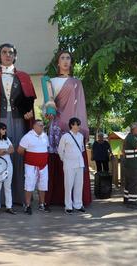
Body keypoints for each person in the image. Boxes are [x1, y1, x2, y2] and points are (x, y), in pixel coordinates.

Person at [0, 43, 36, 204]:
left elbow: (29, 103)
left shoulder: (24, 77)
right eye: (4, 52)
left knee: (17, 153)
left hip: (18, 121)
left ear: (15, 56)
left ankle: (17, 196)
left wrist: (29, 113)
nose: (7, 55)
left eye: (11, 52)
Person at [44, 51, 91, 207]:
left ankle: (77, 201)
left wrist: (82, 129)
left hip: (73, 128)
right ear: (57, 63)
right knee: (58, 160)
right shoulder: (50, 81)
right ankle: (58, 199)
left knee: (75, 165)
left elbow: (81, 108)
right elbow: (47, 104)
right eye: (62, 58)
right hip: (56, 127)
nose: (65, 61)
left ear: (71, 62)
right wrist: (48, 113)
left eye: (68, 58)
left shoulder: (77, 82)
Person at [18, 120, 50, 215]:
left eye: (42, 125)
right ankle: (27, 205)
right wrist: (31, 158)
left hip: (43, 166)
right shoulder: (27, 137)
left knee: (43, 185)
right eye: (39, 125)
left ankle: (41, 204)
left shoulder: (45, 136)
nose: (42, 127)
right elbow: (20, 150)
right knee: (29, 185)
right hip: (31, 166)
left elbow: (46, 148)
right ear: (34, 126)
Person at [58, 117, 86, 214]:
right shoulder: (65, 136)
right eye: (76, 124)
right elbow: (60, 150)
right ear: (71, 125)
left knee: (79, 185)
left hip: (79, 163)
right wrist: (65, 160)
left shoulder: (81, 136)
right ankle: (68, 206)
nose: (78, 126)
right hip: (69, 164)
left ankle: (78, 204)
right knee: (69, 185)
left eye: (79, 124)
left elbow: (82, 149)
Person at [0, 122, 16, 215]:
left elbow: (12, 150)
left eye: (5, 128)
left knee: (8, 186)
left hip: (8, 165)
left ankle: (9, 207)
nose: (5, 130)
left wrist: (3, 150)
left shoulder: (7, 139)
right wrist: (6, 150)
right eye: (3, 128)